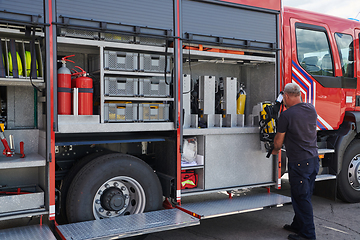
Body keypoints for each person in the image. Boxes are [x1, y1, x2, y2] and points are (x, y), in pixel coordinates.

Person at [271, 83, 319, 240]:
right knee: (303, 194)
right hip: (313, 161)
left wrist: (275, 150)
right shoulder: (311, 108)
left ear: (286, 96)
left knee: (301, 197)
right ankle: (298, 225)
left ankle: (308, 235)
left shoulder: (286, 115)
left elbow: (278, 142)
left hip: (299, 163)